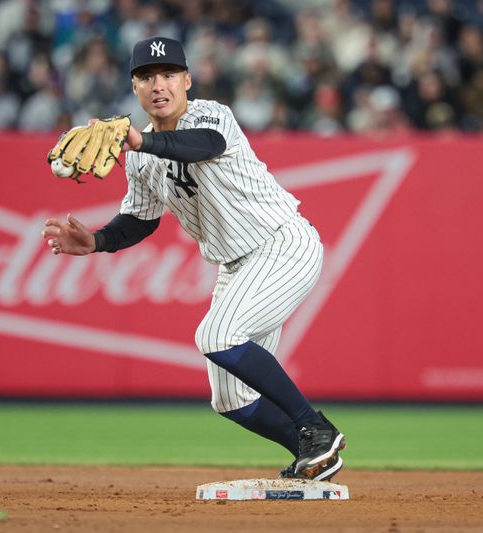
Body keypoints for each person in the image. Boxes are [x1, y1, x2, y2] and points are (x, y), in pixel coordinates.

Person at [41, 37, 346, 481]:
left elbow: (200, 146)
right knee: (230, 399)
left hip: (283, 245)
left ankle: (316, 428)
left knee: (217, 335)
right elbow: (140, 219)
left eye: (168, 74)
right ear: (135, 86)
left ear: (187, 80)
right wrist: (98, 241)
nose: (158, 84)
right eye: (146, 76)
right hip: (236, 265)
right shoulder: (139, 159)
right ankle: (314, 452)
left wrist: (139, 139)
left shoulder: (210, 114)